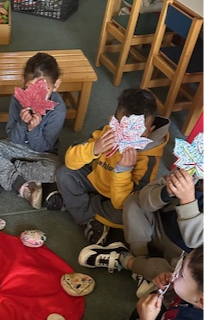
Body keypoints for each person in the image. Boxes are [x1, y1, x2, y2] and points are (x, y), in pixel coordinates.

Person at [56, 88, 169, 246]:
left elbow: (126, 203)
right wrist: (94, 149)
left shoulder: (148, 158)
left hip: (118, 198)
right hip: (96, 179)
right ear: (113, 122)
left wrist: (123, 171)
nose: (128, 138)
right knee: (64, 174)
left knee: (128, 215)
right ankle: (87, 217)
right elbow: (70, 161)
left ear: (149, 131)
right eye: (123, 128)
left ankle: (78, 205)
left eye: (138, 132)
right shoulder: (106, 132)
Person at [78, 167, 204, 297]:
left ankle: (128, 261)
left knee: (185, 281)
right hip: (159, 227)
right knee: (134, 202)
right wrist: (166, 192)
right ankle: (140, 259)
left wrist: (188, 201)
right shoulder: (189, 170)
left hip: (184, 255)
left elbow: (195, 242)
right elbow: (144, 200)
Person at [0, 52, 66, 210]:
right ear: (24, 83)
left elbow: (43, 147)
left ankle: (2, 171)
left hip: (42, 153)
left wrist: (33, 130)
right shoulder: (18, 99)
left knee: (56, 170)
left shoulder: (58, 109)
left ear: (56, 85)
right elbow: (13, 138)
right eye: (29, 88)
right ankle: (21, 184)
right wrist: (22, 123)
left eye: (43, 89)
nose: (35, 96)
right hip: (15, 147)